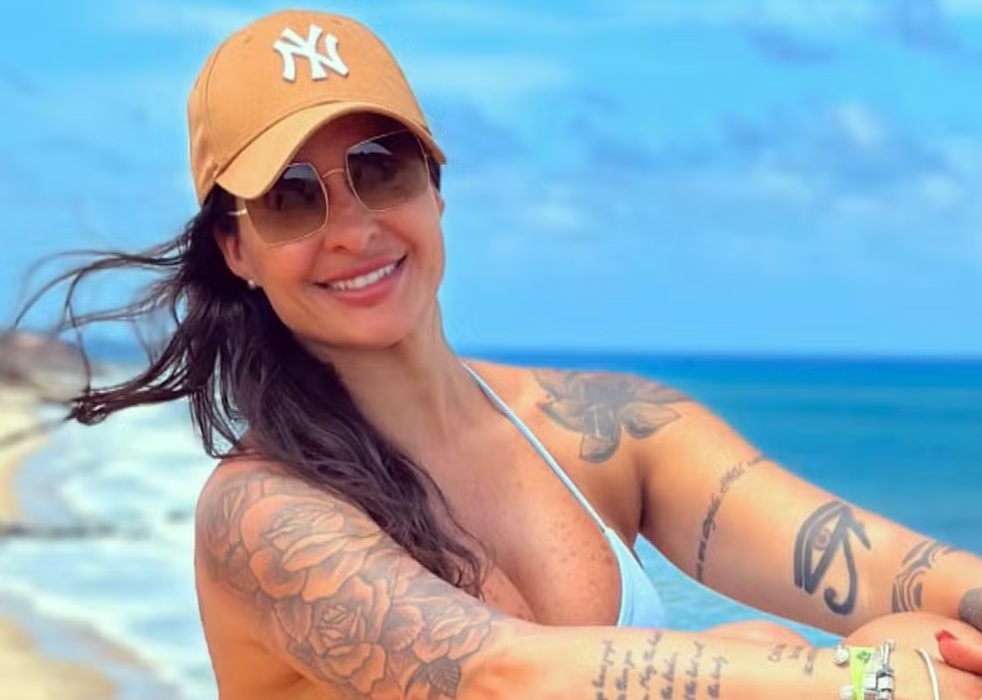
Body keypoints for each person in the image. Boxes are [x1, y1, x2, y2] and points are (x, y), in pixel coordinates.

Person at [15, 8, 982, 700]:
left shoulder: (600, 430)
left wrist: (911, 645)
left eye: (379, 169)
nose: (351, 229)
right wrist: (857, 678)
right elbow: (500, 676)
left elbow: (889, 567)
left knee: (912, 631)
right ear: (236, 249)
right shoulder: (264, 513)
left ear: (435, 185)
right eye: (292, 197)